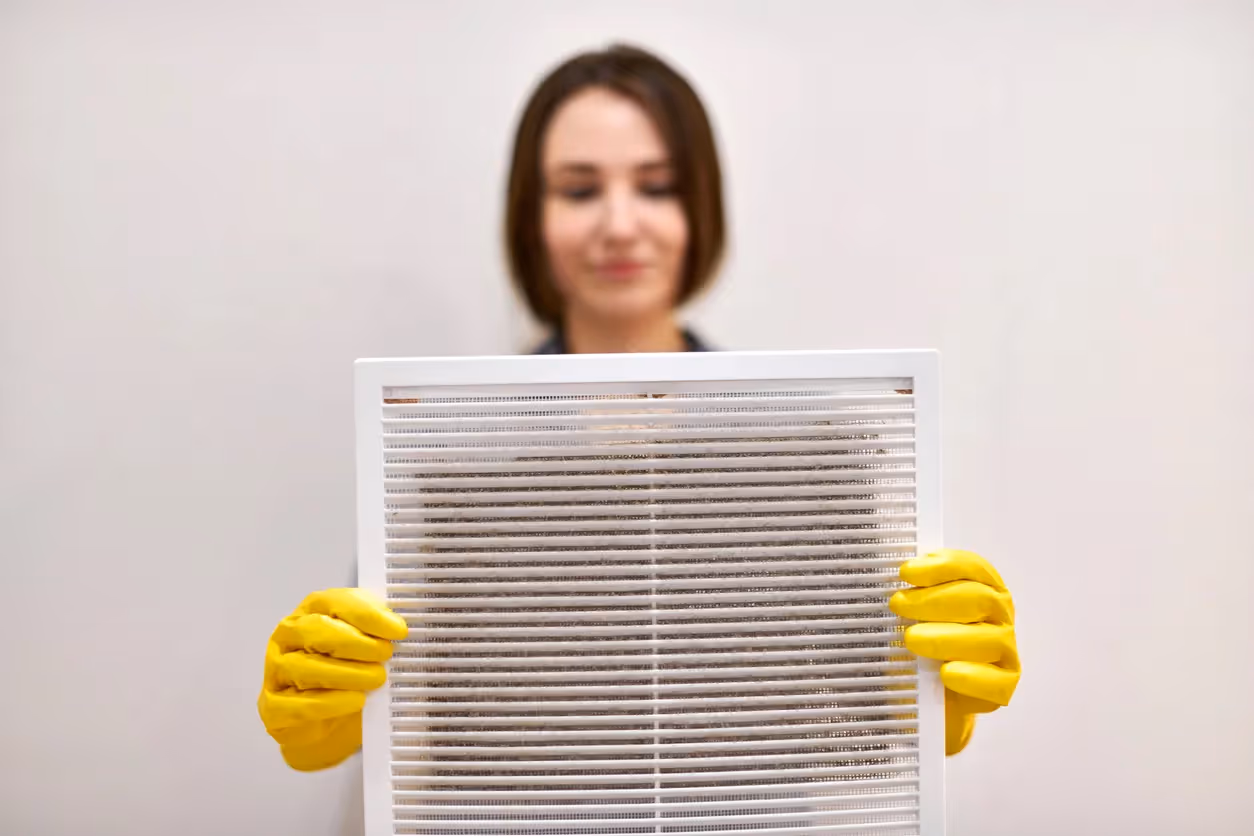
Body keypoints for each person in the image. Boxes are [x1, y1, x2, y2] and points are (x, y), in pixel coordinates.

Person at [257, 44, 1021, 772]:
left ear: (701, 209)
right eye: (580, 189)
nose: (620, 225)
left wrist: (919, 696)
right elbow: (393, 684)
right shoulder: (452, 447)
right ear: (533, 216)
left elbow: (842, 706)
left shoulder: (800, 450)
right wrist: (333, 700)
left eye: (657, 187)